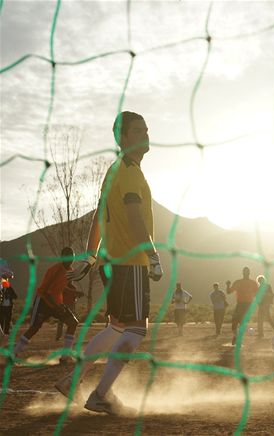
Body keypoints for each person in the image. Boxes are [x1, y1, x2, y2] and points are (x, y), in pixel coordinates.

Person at [55, 111, 163, 414]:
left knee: (116, 327)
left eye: (146, 129)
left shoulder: (114, 170)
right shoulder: (129, 171)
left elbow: (99, 217)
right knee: (137, 329)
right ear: (123, 138)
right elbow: (132, 215)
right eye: (138, 131)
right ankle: (100, 394)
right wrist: (153, 255)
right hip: (132, 262)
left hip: (112, 263)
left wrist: (91, 254)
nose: (145, 135)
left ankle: (71, 380)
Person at [13, 247, 79, 364]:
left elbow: (63, 287)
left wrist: (74, 292)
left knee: (73, 323)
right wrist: (56, 306)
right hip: (43, 302)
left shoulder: (70, 271)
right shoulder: (54, 270)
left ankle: (65, 357)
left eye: (72, 256)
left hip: (56, 303)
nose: (70, 259)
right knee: (34, 328)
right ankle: (14, 354)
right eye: (67, 256)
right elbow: (45, 291)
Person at [226, 267, 258, 345]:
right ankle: (237, 337)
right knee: (237, 322)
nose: (246, 273)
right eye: (245, 272)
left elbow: (257, 294)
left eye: (246, 272)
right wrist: (228, 285)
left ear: (248, 273)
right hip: (242, 304)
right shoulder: (241, 282)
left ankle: (237, 337)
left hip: (246, 304)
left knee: (238, 322)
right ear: (243, 273)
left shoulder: (249, 283)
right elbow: (229, 291)